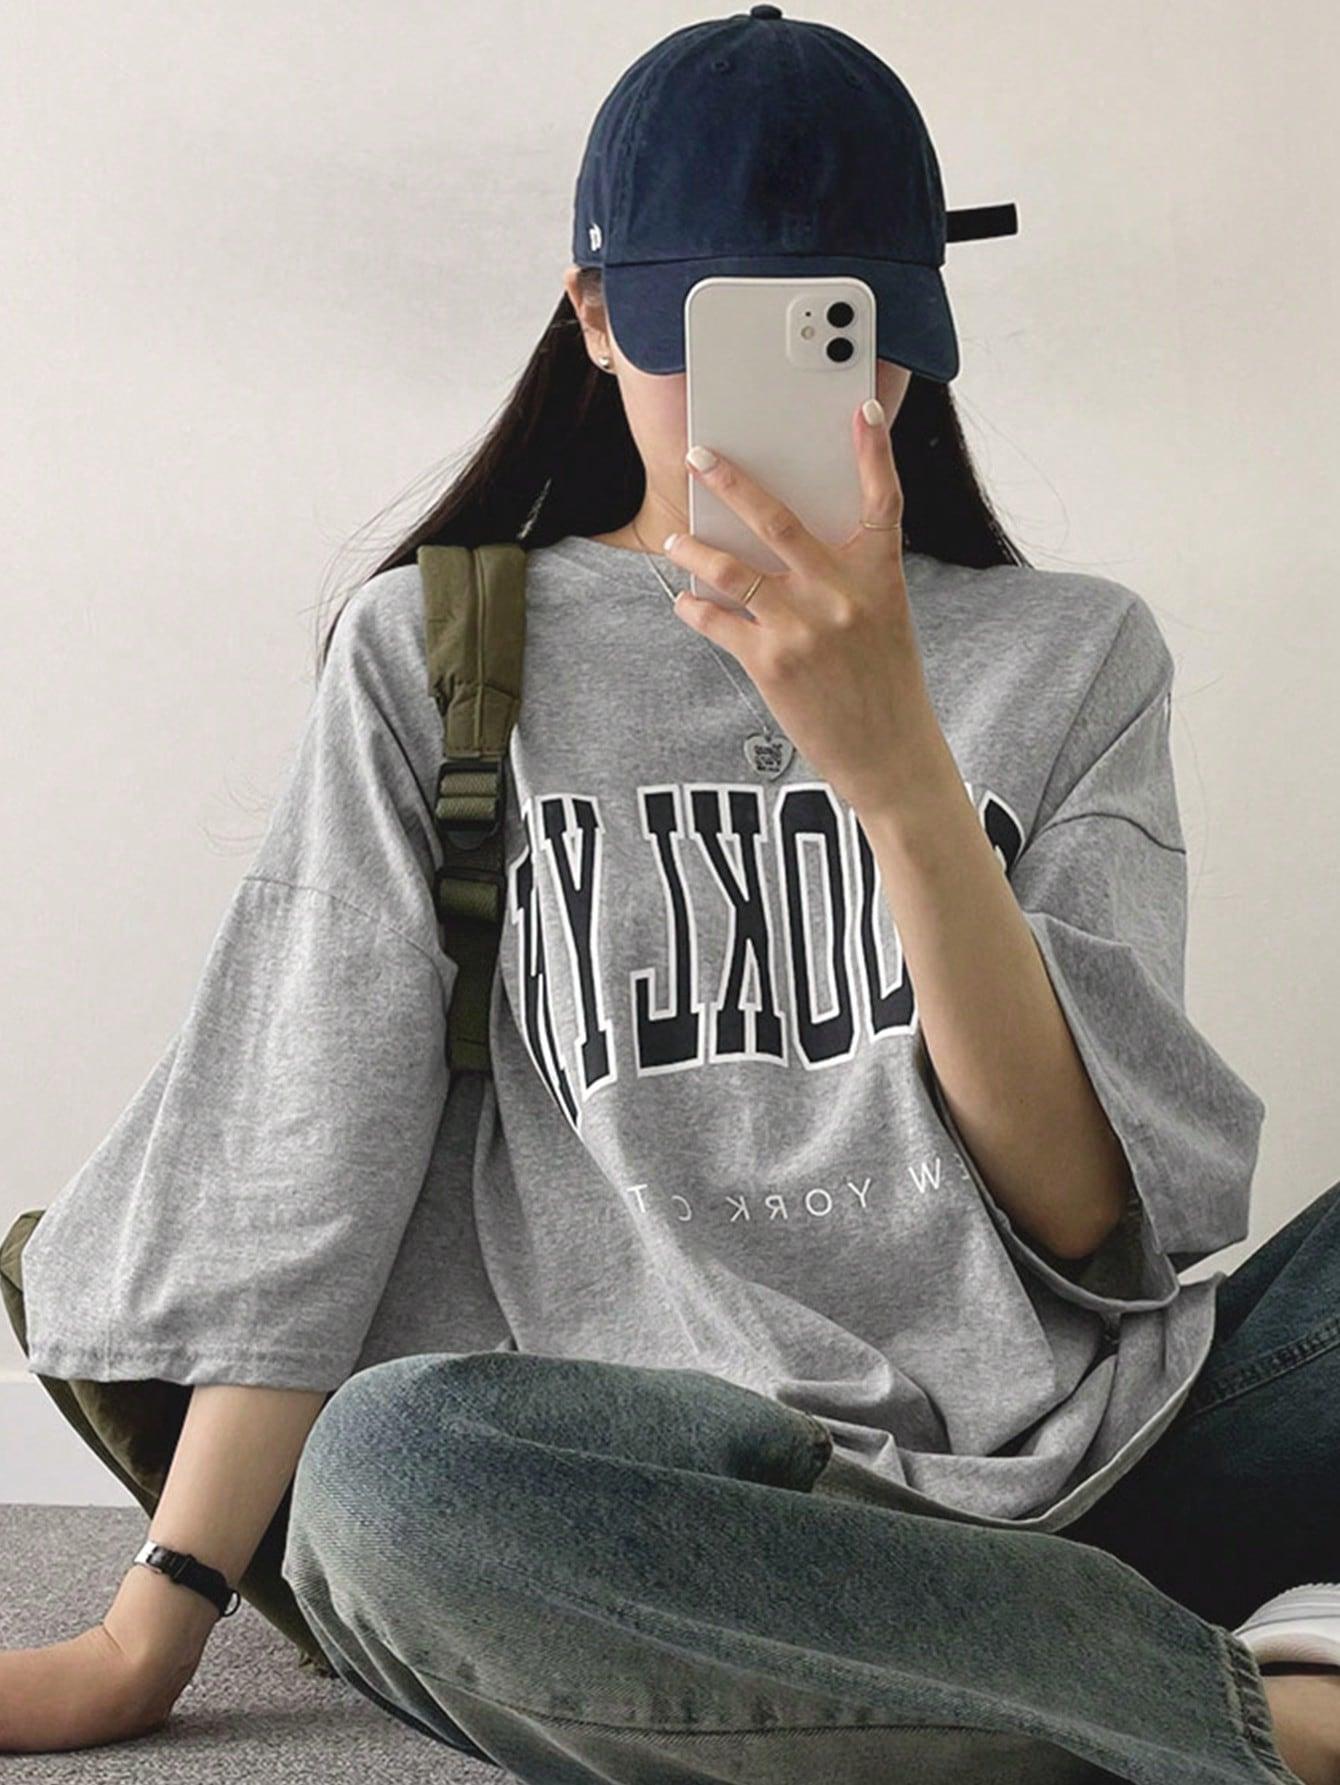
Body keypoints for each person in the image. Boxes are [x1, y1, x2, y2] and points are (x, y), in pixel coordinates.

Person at [4, 10, 1338, 1781]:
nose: (807, 399)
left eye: (847, 333)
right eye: (715, 332)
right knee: (393, 1482)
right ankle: (1257, 1709)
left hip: (1112, 1457)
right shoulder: (445, 652)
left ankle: (996, 1666)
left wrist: (900, 774)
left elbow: (1087, 1210)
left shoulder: (1074, 651)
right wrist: (148, 1624)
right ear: (593, 312)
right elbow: (310, 1148)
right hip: (674, 1507)